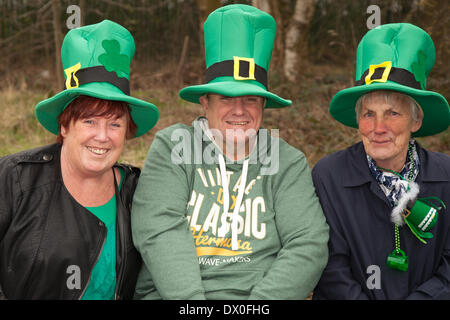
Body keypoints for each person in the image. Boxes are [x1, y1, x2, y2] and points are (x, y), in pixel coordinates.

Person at [131, 4, 329, 300]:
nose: (239, 110)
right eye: (226, 97)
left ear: (264, 105)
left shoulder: (286, 160)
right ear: (205, 102)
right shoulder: (173, 146)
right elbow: (160, 230)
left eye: (251, 98)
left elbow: (308, 243)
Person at [0, 20, 159, 299]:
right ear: (64, 126)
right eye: (89, 120)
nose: (102, 136)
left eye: (115, 124)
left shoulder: (139, 192)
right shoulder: (14, 178)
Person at [312, 23, 450, 299]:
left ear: (416, 120)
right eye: (368, 114)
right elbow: (329, 266)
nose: (379, 127)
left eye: (393, 114)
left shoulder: (445, 175)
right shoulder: (330, 176)